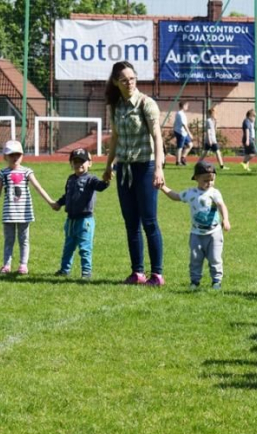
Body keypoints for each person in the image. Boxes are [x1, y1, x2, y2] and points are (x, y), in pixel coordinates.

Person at [102, 61, 166, 286]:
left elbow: (158, 137)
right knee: (131, 222)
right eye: (124, 80)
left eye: (132, 78)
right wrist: (109, 166)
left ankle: (157, 274)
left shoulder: (146, 103)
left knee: (149, 221)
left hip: (145, 167)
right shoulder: (116, 106)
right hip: (124, 169)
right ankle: (137, 272)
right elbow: (115, 138)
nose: (129, 83)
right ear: (115, 82)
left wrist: (158, 168)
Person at [0, 140, 55, 275]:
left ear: (22, 155)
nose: (15, 158)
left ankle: (23, 265)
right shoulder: (3, 173)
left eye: (18, 154)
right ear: (5, 157)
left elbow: (37, 187)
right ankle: (6, 264)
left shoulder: (27, 172)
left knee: (24, 239)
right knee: (9, 240)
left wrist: (50, 202)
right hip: (9, 213)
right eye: (11, 155)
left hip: (24, 213)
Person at [160, 161, 231, 290]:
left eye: (212, 180)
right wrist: (163, 187)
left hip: (214, 234)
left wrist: (225, 219)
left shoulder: (214, 193)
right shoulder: (191, 193)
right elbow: (176, 196)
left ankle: (216, 281)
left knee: (215, 258)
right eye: (205, 180)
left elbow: (222, 205)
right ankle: (195, 281)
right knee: (195, 258)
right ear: (196, 178)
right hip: (196, 234)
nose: (209, 183)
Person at [51, 148, 109, 279]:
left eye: (82, 161)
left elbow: (100, 186)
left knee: (84, 248)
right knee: (68, 247)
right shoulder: (70, 179)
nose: (79, 164)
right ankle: (64, 270)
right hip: (70, 221)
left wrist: (106, 180)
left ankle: (86, 273)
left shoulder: (91, 179)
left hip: (85, 221)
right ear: (71, 164)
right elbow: (67, 196)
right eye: (75, 161)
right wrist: (59, 203)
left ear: (90, 163)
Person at [173, 101, 193, 166]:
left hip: (184, 133)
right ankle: (178, 162)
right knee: (180, 147)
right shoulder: (180, 114)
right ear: (183, 106)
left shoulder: (182, 113)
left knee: (190, 145)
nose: (187, 107)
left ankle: (183, 157)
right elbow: (184, 125)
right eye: (187, 105)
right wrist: (189, 133)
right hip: (180, 132)